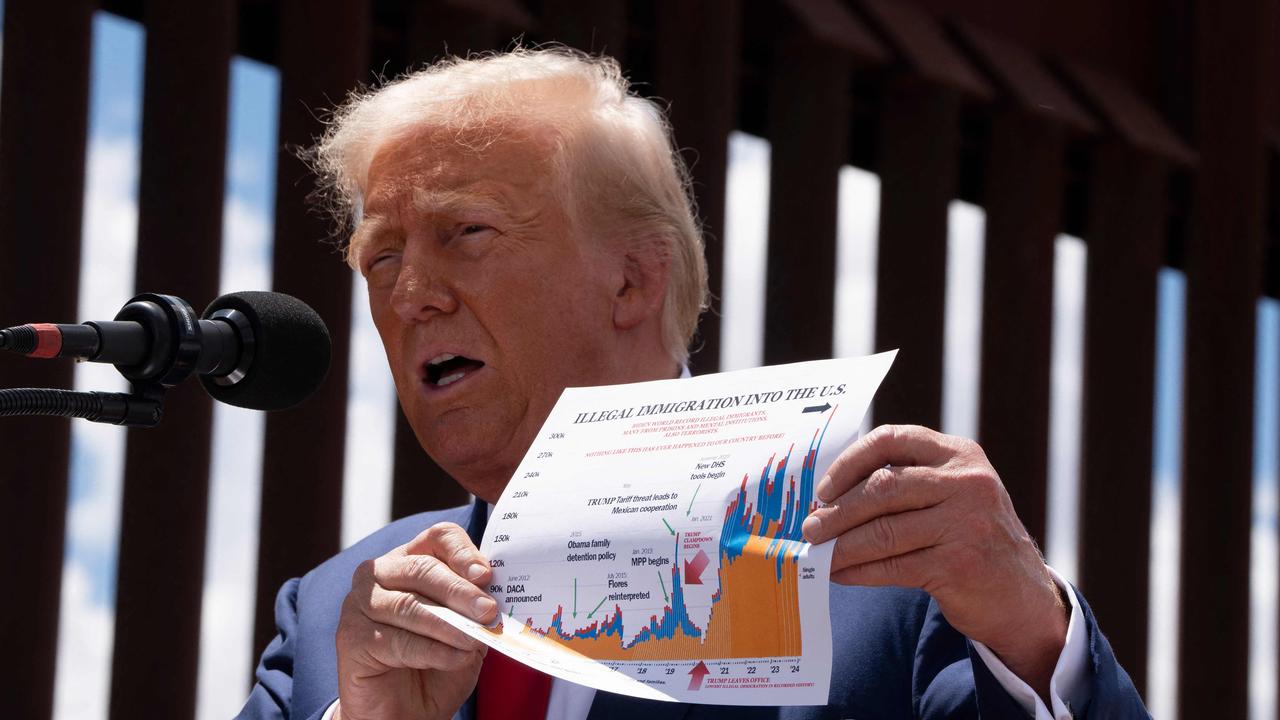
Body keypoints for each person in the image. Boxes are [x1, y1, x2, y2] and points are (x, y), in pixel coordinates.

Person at [236, 48, 1148, 720]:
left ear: (633, 277)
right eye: (380, 257)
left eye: (465, 234)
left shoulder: (890, 571)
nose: (410, 296)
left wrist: (1033, 637)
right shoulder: (331, 621)